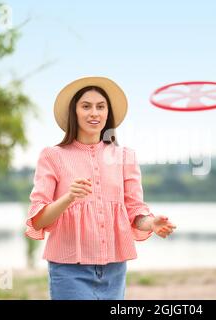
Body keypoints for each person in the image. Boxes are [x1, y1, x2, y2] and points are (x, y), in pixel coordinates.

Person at [25, 76, 176, 300]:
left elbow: (134, 209)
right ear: (73, 112)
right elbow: (38, 220)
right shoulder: (52, 156)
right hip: (68, 270)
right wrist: (68, 198)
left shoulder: (126, 157)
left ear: (108, 113)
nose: (94, 113)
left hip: (115, 268)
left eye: (100, 106)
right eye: (86, 106)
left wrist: (151, 223)